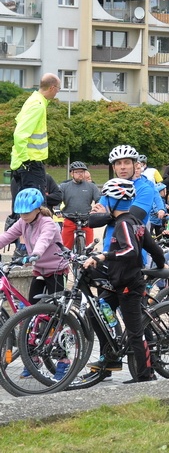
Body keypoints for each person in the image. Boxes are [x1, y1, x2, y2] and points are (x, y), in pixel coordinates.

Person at [83, 179, 168, 383]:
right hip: (118, 282)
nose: (105, 202)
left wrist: (104, 256)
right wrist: (160, 264)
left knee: (135, 332)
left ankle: (145, 376)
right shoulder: (135, 222)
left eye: (107, 198)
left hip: (129, 284)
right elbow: (154, 249)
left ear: (114, 202)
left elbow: (131, 251)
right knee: (94, 312)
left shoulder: (123, 224)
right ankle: (110, 357)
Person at [0, 189, 67, 306]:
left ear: (37, 209)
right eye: (21, 213)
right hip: (39, 269)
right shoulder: (23, 222)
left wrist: (35, 254)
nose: (23, 216)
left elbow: (44, 240)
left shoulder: (47, 223)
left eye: (26, 213)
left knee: (56, 309)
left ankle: (59, 324)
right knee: (32, 307)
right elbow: (7, 236)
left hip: (56, 269)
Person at [10, 73, 60, 203]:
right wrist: (26, 161)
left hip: (22, 164)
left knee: (24, 208)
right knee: (36, 207)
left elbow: (18, 121)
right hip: (30, 164)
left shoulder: (32, 100)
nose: (57, 93)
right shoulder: (37, 105)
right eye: (58, 89)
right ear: (52, 88)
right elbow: (19, 134)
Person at [59, 161, 101, 249]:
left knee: (89, 248)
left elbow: (99, 199)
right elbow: (57, 199)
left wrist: (98, 208)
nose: (80, 174)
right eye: (77, 172)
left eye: (82, 172)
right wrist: (56, 209)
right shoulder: (64, 186)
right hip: (69, 218)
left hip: (86, 219)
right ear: (71, 173)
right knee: (65, 249)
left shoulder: (91, 186)